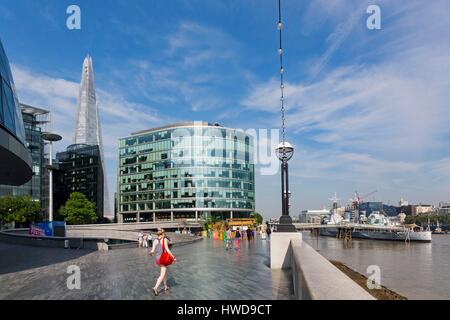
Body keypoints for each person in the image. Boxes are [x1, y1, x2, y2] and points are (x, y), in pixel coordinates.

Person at [150, 229, 176, 296]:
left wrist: (151, 253)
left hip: (157, 259)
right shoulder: (164, 239)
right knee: (162, 274)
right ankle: (155, 287)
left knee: (163, 272)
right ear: (163, 234)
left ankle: (165, 286)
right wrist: (173, 257)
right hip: (163, 259)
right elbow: (167, 249)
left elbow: (152, 251)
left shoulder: (155, 240)